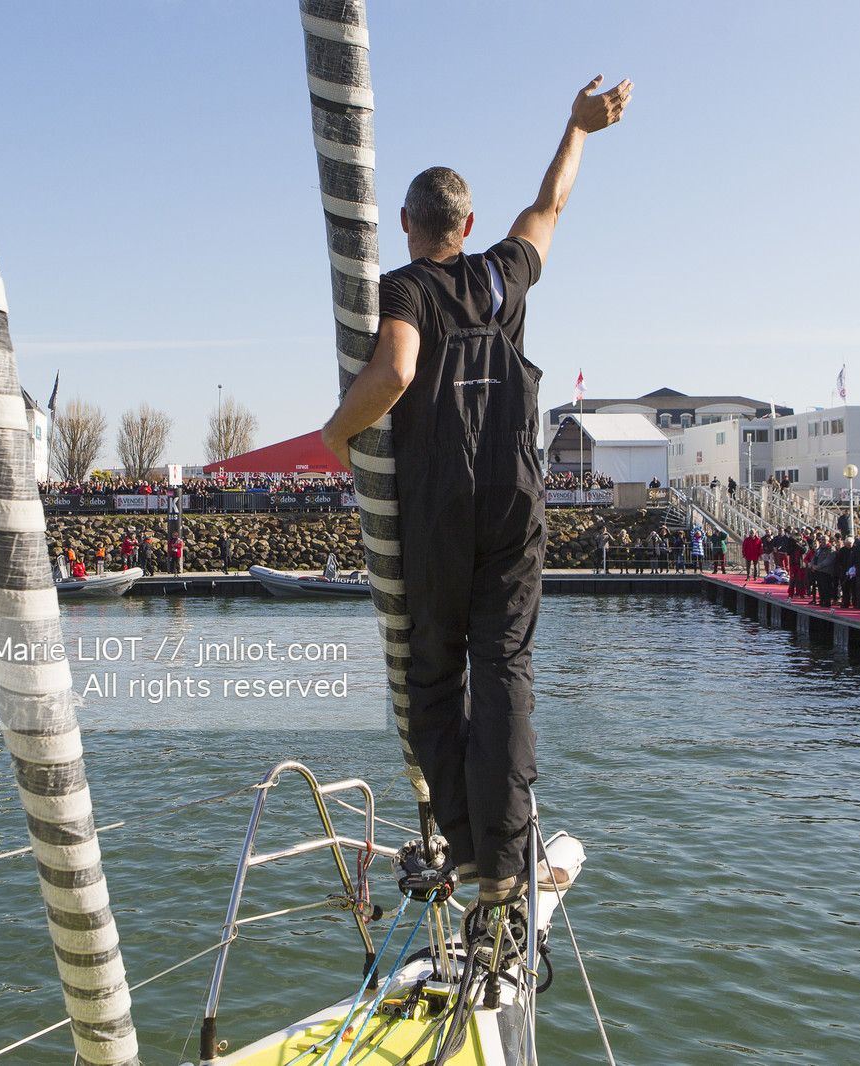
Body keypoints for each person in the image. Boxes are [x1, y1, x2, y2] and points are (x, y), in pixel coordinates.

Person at [319, 75, 631, 905]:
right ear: (465, 225)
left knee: (434, 678)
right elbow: (550, 207)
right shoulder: (502, 276)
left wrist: (335, 432)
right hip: (516, 500)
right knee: (505, 671)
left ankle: (463, 850)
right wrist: (579, 128)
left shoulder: (406, 286)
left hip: (441, 508)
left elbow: (395, 372)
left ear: (407, 227)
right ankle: (503, 861)